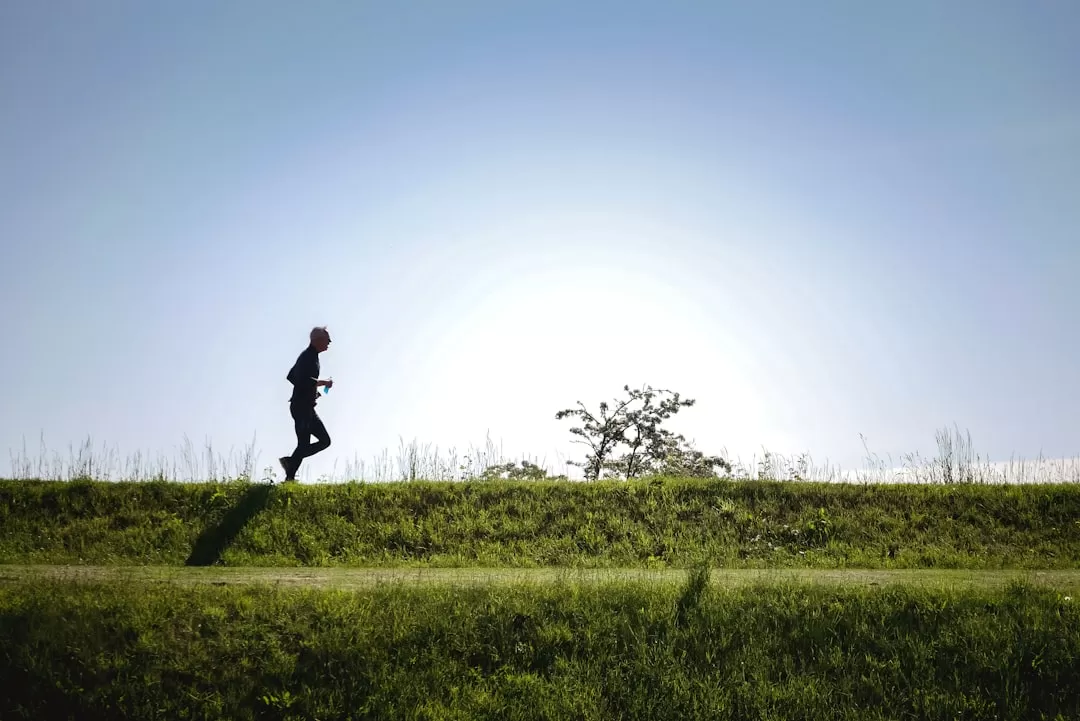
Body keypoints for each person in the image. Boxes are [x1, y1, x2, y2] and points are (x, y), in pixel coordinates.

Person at [279, 326, 334, 481]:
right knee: (318, 442)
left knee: (317, 442)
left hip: (305, 406)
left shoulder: (311, 356)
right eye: (327, 339)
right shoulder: (307, 357)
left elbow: (294, 377)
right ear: (317, 340)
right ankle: (290, 468)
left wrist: (311, 393)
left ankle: (290, 469)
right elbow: (299, 378)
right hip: (301, 407)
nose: (329, 342)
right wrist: (323, 383)